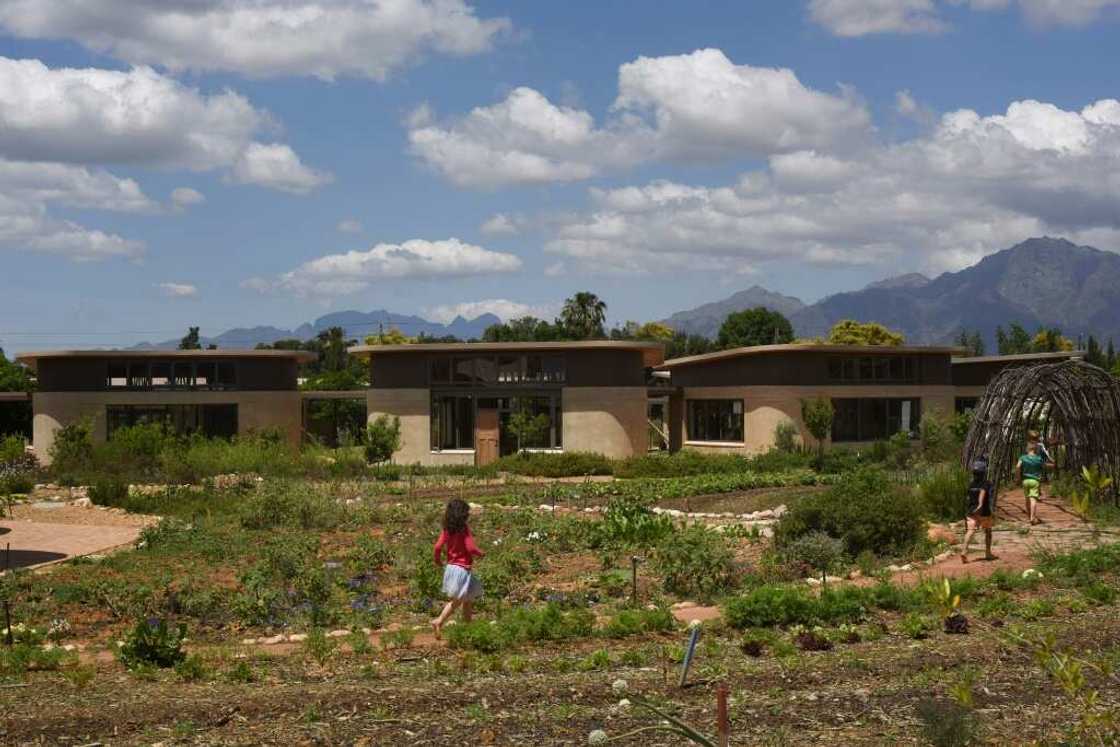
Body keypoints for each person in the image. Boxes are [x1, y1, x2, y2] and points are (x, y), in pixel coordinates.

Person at [430, 498, 484, 638]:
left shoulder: (447, 529)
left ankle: (468, 628)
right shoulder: (463, 529)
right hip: (461, 569)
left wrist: (437, 560)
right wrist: (480, 553)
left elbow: (437, 547)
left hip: (451, 567)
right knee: (458, 600)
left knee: (468, 598)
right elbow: (470, 547)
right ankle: (439, 621)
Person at [961, 458, 996, 563]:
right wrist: (980, 505)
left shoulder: (971, 484)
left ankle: (964, 551)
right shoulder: (986, 483)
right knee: (988, 531)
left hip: (971, 511)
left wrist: (971, 508)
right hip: (983, 511)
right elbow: (983, 492)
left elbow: (968, 498)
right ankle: (988, 553)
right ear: (984, 472)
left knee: (970, 531)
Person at [1019, 442, 1054, 525]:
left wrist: (1018, 477)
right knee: (1033, 499)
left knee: (1027, 500)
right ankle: (1032, 518)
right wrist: (1052, 465)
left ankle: (1029, 517)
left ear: (1027, 449)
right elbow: (1045, 465)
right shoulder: (1038, 458)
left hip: (1025, 481)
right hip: (1035, 481)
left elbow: (1017, 466)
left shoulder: (1023, 457)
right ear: (1035, 450)